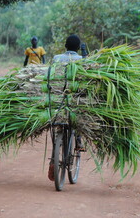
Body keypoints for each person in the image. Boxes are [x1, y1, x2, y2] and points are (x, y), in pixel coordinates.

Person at [48, 34, 86, 181]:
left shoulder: (57, 58)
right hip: (74, 99)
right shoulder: (81, 60)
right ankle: (78, 139)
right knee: (78, 117)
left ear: (65, 46)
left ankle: (53, 157)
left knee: (57, 124)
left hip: (56, 99)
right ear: (77, 47)